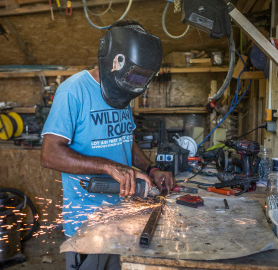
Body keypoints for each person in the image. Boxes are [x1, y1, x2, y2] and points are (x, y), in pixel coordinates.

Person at [40, 19, 176, 270]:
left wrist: (151, 170)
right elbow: (49, 155)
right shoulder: (72, 91)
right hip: (87, 222)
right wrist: (108, 167)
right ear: (115, 60)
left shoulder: (123, 91)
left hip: (125, 214)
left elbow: (126, 139)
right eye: (133, 76)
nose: (135, 83)